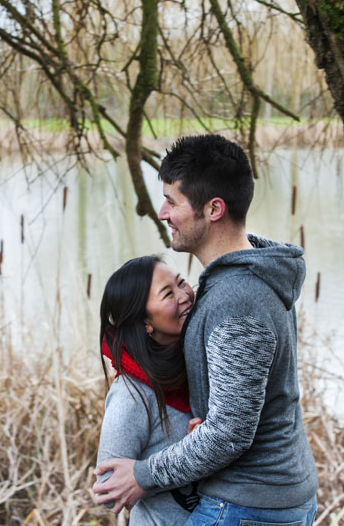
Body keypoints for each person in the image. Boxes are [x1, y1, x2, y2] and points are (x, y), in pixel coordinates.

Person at [93, 134, 319, 525]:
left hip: (245, 505)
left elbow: (230, 434)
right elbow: (234, 412)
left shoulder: (238, 299)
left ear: (213, 209)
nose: (163, 213)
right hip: (260, 500)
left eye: (172, 201)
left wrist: (143, 475)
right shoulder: (241, 279)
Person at [96, 255, 201, 525]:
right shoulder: (132, 394)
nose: (184, 295)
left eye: (181, 283)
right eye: (168, 294)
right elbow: (108, 490)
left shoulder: (196, 366)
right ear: (145, 322)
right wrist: (187, 455)